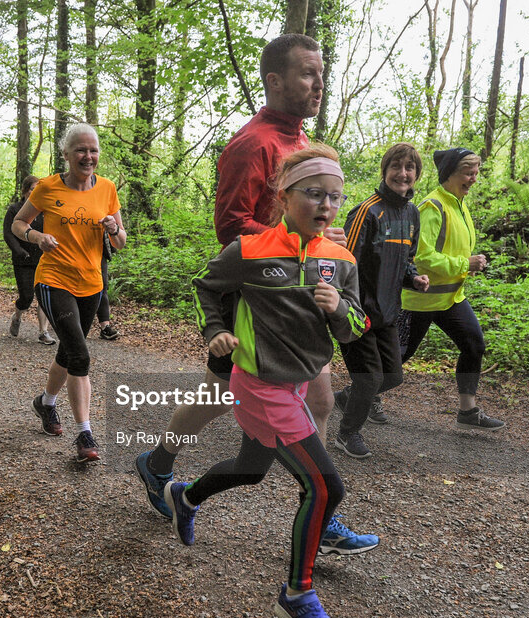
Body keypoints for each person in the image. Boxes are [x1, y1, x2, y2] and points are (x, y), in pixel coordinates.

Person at [133, 34, 376, 558]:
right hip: (260, 305)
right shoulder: (254, 144)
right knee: (217, 398)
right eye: (308, 73)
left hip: (299, 306)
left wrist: (316, 241)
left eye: (320, 73)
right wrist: (293, 244)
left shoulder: (298, 138)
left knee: (318, 396)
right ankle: (159, 464)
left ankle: (320, 508)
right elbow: (231, 228)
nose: (319, 83)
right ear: (275, 80)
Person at [165, 146, 365, 618]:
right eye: (314, 193)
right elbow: (205, 287)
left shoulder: (339, 260)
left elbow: (358, 328)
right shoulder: (250, 250)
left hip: (295, 385)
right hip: (258, 385)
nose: (325, 205)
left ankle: (184, 498)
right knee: (324, 488)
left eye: (335, 197)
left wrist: (340, 309)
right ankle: (297, 596)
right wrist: (214, 331)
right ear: (284, 196)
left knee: (251, 470)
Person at [11, 123, 126, 463]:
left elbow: (121, 242)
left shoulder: (106, 189)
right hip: (53, 279)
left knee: (69, 349)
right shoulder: (47, 188)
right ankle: (85, 435)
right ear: (66, 154)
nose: (87, 156)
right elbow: (19, 223)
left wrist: (114, 228)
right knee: (80, 354)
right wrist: (37, 238)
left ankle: (45, 403)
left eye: (93, 150)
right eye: (80, 150)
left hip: (91, 284)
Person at [332, 143, 430, 458]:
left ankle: (349, 398)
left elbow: (405, 259)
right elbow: (345, 262)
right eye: (397, 167)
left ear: (416, 174)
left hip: (387, 312)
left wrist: (412, 277)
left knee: (392, 376)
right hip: (358, 311)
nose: (403, 173)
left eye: (410, 168)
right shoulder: (367, 211)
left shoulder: (412, 213)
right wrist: (346, 310)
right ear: (385, 171)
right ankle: (347, 434)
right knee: (370, 377)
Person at [400, 148, 505, 430]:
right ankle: (356, 397)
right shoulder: (432, 207)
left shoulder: (459, 203)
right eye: (468, 173)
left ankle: (468, 412)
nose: (473, 179)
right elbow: (421, 256)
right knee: (398, 356)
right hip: (420, 298)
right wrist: (463, 263)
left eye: (475, 173)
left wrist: (469, 264)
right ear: (450, 174)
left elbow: (450, 247)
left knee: (474, 344)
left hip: (450, 297)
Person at [2, 176, 55, 345]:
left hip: (43, 259)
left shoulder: (45, 210)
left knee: (44, 296)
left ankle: (43, 332)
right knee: (26, 297)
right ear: (25, 191)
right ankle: (17, 315)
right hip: (23, 260)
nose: (35, 192)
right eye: (32, 189)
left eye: (37, 189)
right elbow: (8, 233)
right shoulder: (15, 209)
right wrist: (19, 251)